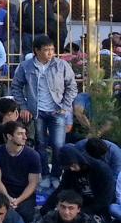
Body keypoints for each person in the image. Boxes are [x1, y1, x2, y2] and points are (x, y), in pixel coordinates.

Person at [12, 36, 77, 181]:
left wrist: (65, 106)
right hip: (37, 112)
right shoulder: (26, 66)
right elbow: (16, 86)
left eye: (52, 49)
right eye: (46, 50)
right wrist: (23, 106)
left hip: (57, 111)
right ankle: (45, 175)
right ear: (36, 50)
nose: (50, 53)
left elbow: (72, 87)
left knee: (58, 145)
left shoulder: (61, 65)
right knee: (40, 144)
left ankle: (56, 175)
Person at [0, 120, 41, 223]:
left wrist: (18, 200)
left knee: (25, 215)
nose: (25, 137)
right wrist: (7, 198)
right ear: (9, 136)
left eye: (25, 134)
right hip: (4, 191)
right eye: (20, 134)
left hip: (24, 193)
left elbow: (33, 183)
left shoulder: (33, 155)